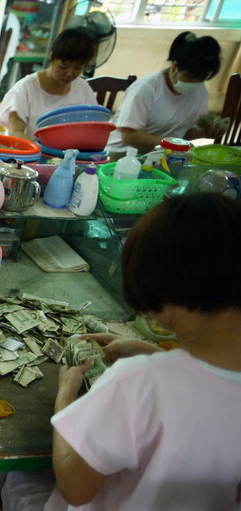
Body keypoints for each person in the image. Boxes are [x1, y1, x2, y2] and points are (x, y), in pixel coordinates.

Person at [48, 193, 241, 510]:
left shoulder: (135, 383)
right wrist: (155, 355)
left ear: (160, 288)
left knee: (18, 481)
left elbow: (74, 487)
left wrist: (66, 394)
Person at [105, 32, 223, 154]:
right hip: (125, 153)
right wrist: (172, 144)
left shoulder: (199, 91)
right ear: (175, 66)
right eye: (190, 77)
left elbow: (184, 132)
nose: (195, 82)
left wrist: (205, 132)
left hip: (163, 154)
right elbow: (129, 136)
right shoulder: (146, 88)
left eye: (203, 77)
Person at [0, 28, 98, 142]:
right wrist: (42, 153)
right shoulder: (26, 88)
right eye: (63, 66)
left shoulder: (82, 88)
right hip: (32, 154)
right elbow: (15, 133)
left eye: (77, 68)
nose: (69, 73)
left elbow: (92, 127)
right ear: (52, 56)